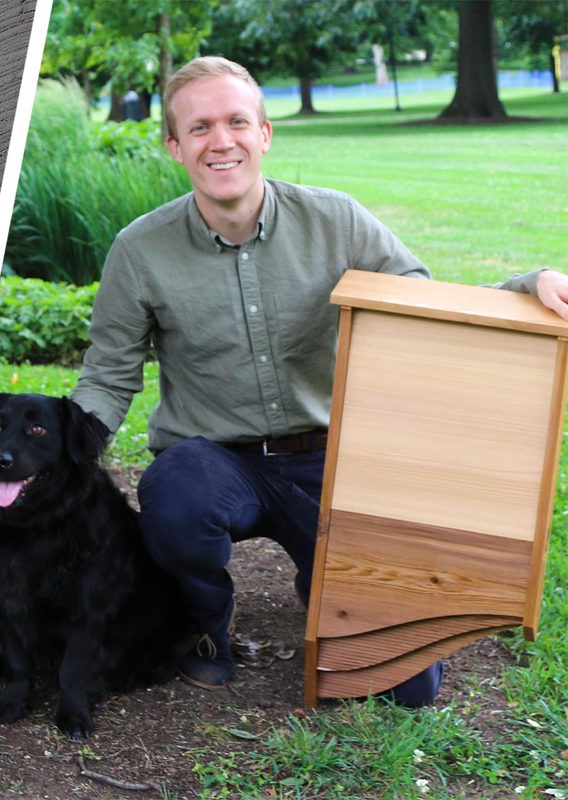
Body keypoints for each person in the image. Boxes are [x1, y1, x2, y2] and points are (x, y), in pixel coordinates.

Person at [70, 56, 568, 706]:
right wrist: (56, 458)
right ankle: (204, 626)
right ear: (174, 145)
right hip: (214, 462)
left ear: (265, 133)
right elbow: (108, 376)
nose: (221, 141)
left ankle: (327, 587)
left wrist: (528, 289)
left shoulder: (337, 220)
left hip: (335, 463)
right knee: (174, 500)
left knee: (411, 688)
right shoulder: (140, 251)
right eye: (199, 128)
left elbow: (426, 306)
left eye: (236, 121)